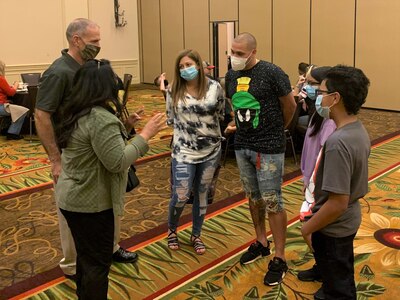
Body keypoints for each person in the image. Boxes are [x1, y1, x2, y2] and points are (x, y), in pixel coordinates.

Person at [35, 18, 138, 280]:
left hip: (100, 147)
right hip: (73, 152)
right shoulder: (59, 72)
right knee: (71, 212)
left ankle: (110, 247)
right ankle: (72, 264)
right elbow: (41, 115)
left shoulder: (90, 67)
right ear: (76, 40)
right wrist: (55, 160)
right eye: (94, 42)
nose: (99, 46)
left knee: (108, 201)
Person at [55, 59, 166, 299]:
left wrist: (123, 128)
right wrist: (145, 135)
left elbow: (95, 148)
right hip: (90, 203)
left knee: (86, 259)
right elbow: (117, 161)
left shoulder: (76, 110)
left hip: (72, 198)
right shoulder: (100, 118)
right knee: (97, 265)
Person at [225, 32, 296, 285]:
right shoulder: (231, 74)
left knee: (272, 200)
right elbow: (234, 103)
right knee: (253, 197)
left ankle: (279, 257)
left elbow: (290, 106)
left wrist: (277, 131)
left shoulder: (272, 72)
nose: (234, 57)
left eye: (240, 54)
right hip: (242, 144)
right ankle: (261, 241)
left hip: (268, 147)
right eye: (232, 52)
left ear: (254, 52)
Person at [301, 65, 370, 300]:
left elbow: (337, 202)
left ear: (335, 98)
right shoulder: (357, 130)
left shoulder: (338, 142)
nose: (317, 97)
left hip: (333, 226)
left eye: (321, 93)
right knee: (338, 273)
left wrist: (308, 227)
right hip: (346, 221)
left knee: (338, 290)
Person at [166, 49, 225, 255]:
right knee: (181, 195)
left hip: (210, 150)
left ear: (198, 65)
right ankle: (172, 230)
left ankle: (196, 234)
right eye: (181, 67)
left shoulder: (215, 87)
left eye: (189, 65)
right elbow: (170, 119)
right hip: (183, 151)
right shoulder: (173, 89)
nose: (185, 69)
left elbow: (220, 113)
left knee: (202, 194)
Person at [296, 66, 336, 300]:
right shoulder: (318, 113)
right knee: (316, 232)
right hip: (310, 181)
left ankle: (330, 276)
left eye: (313, 84)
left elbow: (324, 158)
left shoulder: (329, 121)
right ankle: (322, 268)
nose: (307, 87)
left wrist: (312, 183)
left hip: (319, 186)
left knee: (312, 230)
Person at [0, 60, 27, 140]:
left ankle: (5, 129)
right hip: (1, 106)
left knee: (13, 109)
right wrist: (16, 85)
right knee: (22, 111)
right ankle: (12, 133)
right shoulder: (1, 79)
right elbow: (11, 93)